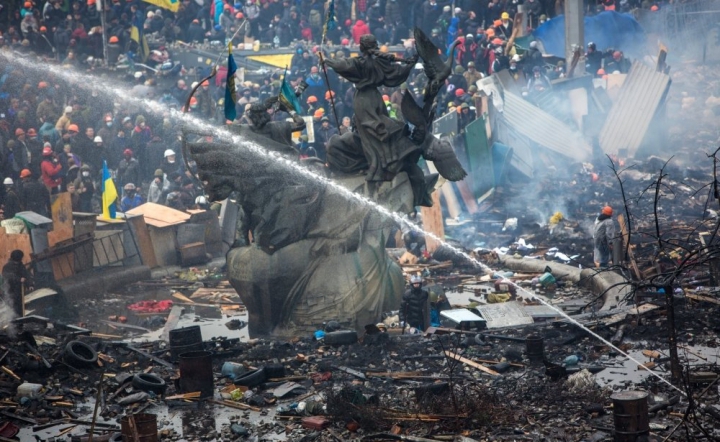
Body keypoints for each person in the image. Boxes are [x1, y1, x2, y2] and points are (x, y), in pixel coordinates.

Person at [322, 34, 417, 182]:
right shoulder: (379, 62)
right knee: (376, 129)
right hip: (375, 97)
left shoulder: (359, 63)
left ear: (362, 47)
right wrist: (409, 65)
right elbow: (396, 73)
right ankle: (384, 162)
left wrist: (328, 61)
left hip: (364, 99)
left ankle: (381, 165)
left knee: (372, 132)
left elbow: (342, 65)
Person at [2, 250, 33, 318]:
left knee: (21, 306)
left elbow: (26, 274)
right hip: (11, 291)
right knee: (14, 307)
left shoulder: (20, 265)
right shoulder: (7, 267)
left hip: (20, 290)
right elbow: (8, 276)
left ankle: (22, 317)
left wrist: (29, 284)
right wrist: (19, 279)